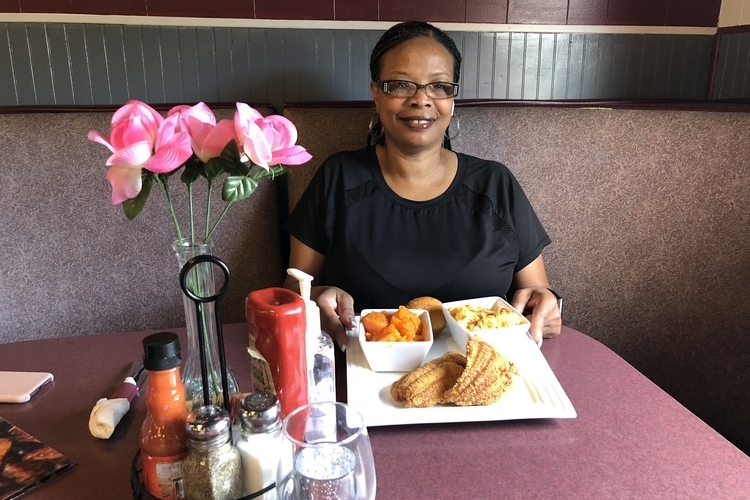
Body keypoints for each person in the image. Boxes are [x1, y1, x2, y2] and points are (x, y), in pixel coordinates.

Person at [283, 20, 561, 348]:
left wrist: (547, 307)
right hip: (362, 372)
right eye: (401, 85)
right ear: (376, 93)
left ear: (452, 98)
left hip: (485, 375)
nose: (421, 99)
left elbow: (538, 297)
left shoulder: (494, 184)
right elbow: (292, 292)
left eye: (439, 86)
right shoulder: (339, 176)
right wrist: (316, 298)